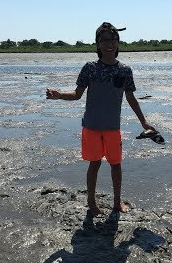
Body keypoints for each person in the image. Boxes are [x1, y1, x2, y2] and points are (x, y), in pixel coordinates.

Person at [46, 22, 155, 216]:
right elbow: (78, 94)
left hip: (113, 127)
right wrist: (59, 95)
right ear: (97, 44)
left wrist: (144, 122)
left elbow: (130, 97)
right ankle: (91, 203)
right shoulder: (90, 68)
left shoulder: (124, 70)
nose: (109, 44)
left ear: (118, 43)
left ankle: (116, 202)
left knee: (116, 165)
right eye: (104, 40)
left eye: (113, 39)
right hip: (92, 126)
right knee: (94, 164)